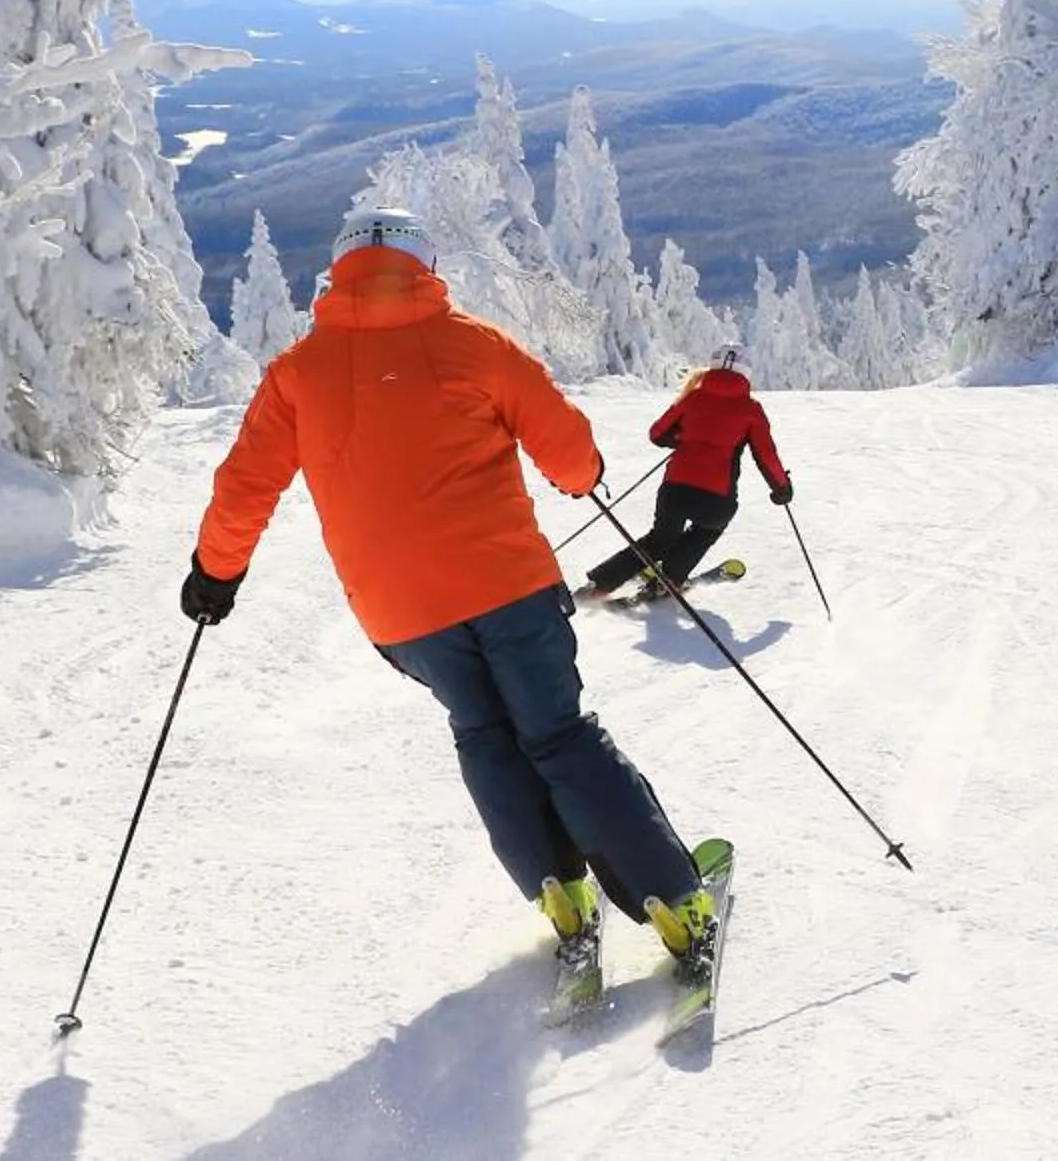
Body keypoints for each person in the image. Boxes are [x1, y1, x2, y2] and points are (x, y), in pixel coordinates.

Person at [183, 208, 718, 967]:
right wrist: (586, 476)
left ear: (339, 273)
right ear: (425, 265)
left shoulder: (297, 374)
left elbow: (244, 489)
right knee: (558, 734)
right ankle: (673, 898)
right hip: (509, 588)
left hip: (404, 617)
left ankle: (562, 895)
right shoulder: (475, 345)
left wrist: (215, 574)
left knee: (484, 734)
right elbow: (571, 456)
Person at [576, 343, 793, 607]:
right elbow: (766, 455)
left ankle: (599, 585)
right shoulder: (751, 410)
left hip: (675, 489)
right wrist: (781, 488)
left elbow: (657, 434)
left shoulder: (693, 398)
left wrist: (685, 438)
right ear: (746, 372)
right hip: (717, 497)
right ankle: (669, 578)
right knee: (707, 529)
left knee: (659, 539)